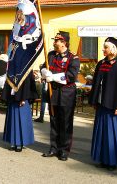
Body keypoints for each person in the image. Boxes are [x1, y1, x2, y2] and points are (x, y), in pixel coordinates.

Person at [88, 37, 117, 171]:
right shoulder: (101, 63)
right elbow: (96, 83)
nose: (103, 49)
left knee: (112, 134)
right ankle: (103, 159)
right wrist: (94, 100)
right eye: (103, 47)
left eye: (105, 47)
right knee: (102, 133)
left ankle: (113, 161)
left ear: (113, 50)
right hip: (102, 103)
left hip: (114, 106)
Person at [40, 31, 80, 161]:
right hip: (53, 93)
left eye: (57, 40)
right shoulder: (51, 54)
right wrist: (44, 71)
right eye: (55, 40)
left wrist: (54, 77)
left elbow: (71, 75)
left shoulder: (73, 58)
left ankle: (64, 150)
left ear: (64, 43)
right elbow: (43, 66)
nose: (55, 42)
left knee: (65, 123)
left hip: (66, 94)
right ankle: (53, 147)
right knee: (54, 121)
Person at [2, 70, 38, 152]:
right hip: (12, 97)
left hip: (22, 98)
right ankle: (13, 142)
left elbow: (28, 84)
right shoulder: (12, 66)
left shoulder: (27, 67)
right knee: (12, 121)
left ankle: (20, 143)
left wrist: (24, 98)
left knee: (22, 121)